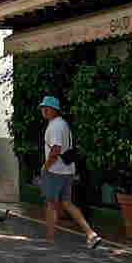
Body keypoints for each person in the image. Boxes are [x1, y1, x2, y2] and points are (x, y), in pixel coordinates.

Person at [38, 96, 101, 248]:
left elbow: (55, 149)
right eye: (43, 107)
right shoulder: (63, 124)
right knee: (66, 203)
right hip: (67, 170)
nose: (44, 110)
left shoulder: (55, 126)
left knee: (50, 204)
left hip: (55, 171)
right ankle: (90, 233)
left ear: (55, 110)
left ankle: (50, 239)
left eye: (48, 108)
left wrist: (45, 167)